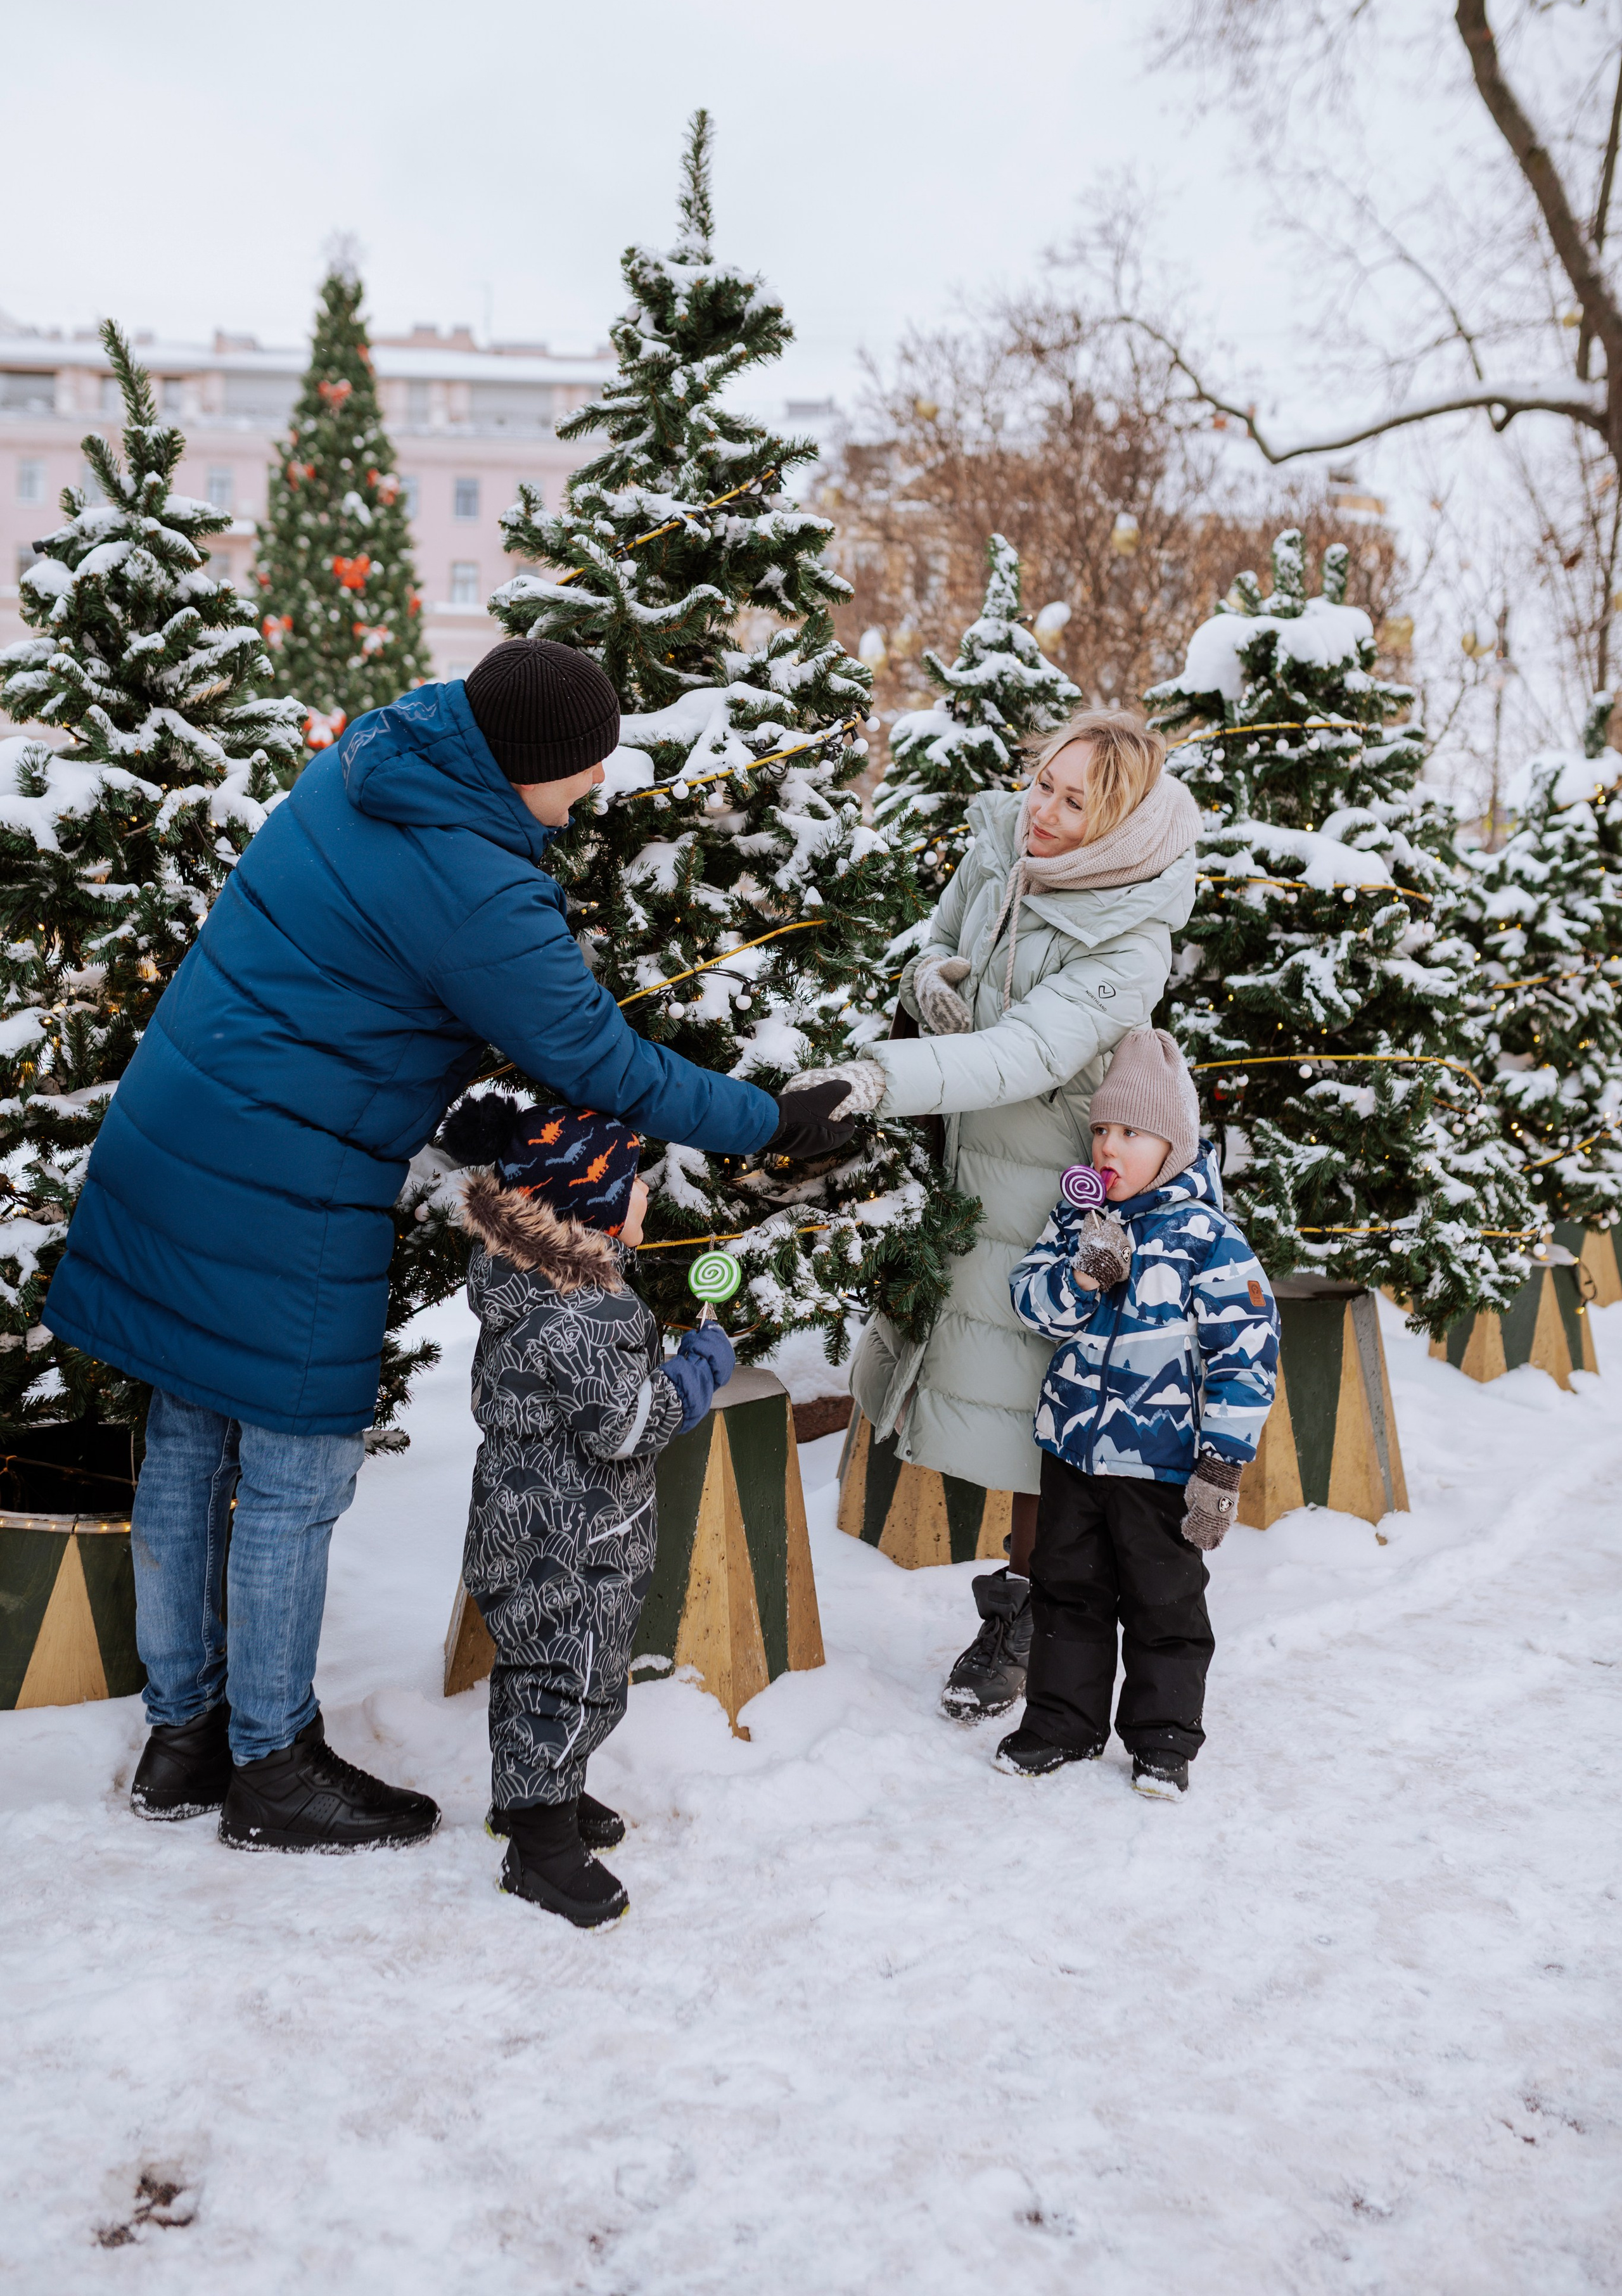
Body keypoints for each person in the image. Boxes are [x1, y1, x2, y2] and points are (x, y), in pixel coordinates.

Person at [44, 638, 858, 1853]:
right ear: (526, 763)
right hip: (285, 1177)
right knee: (291, 1471)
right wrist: (769, 1121)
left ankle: (185, 1740)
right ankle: (270, 1765)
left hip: (179, 1120)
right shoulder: (474, 880)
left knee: (187, 1437)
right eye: (582, 771)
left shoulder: (380, 755)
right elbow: (595, 1056)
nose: (594, 790)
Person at [819, 709, 1201, 1719]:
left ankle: (1033, 1616)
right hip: (960, 1150)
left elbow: (1023, 1054)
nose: (1044, 810)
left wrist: (874, 1077)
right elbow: (944, 938)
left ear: (1116, 821)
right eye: (1044, 782)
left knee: (1039, 1405)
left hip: (1047, 1178)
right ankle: (1026, 1609)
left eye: (1075, 802)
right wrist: (933, 978)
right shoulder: (1004, 844)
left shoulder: (1132, 937)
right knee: (954, 1373)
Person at [445, 1092, 732, 1929]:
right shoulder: (586, 1310)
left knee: (536, 1672)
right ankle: (540, 1848)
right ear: (589, 1202)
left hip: (522, 1521)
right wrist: (696, 1374)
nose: (647, 1196)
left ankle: (539, 1798)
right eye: (634, 1184)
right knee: (572, 1684)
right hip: (572, 1539)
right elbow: (626, 1424)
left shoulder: (531, 1284)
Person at [1001, 1028, 1279, 1795]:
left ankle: (1163, 1740)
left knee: (1165, 1605)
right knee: (1066, 1591)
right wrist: (1082, 1278)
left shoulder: (1208, 1242)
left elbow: (1246, 1357)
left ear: (1174, 1147)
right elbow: (1031, 1302)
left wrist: (1220, 1468)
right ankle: (1061, 1723)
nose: (1107, 1148)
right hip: (1072, 1454)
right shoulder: (1075, 1224)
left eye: (1129, 1133)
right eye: (1099, 1131)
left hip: (1160, 1465)